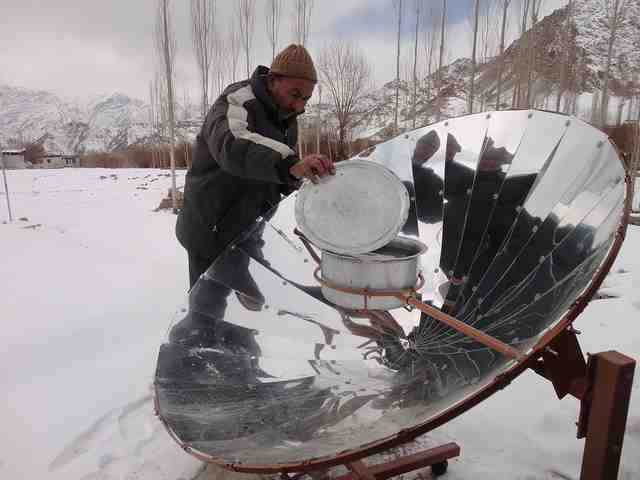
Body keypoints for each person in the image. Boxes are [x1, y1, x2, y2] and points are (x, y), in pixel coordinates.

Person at [176, 44, 335, 289]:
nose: (299, 107)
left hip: (249, 229)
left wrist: (305, 186)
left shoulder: (286, 117)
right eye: (295, 95)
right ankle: (199, 329)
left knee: (253, 306)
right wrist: (291, 165)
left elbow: (278, 173)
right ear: (272, 80)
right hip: (212, 230)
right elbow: (232, 144)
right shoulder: (237, 101)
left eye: (306, 99)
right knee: (208, 311)